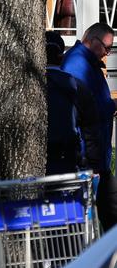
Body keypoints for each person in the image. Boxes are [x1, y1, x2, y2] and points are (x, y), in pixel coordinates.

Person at [61, 22, 117, 230]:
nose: (108, 53)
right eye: (107, 47)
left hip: (97, 158)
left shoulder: (89, 63)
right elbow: (85, 110)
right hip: (86, 160)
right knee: (83, 226)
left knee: (111, 215)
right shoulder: (77, 64)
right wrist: (111, 106)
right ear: (93, 41)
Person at [45, 31, 102, 175]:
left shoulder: (25, 87)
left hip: (34, 161)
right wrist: (94, 165)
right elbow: (91, 130)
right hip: (68, 161)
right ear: (61, 57)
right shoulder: (76, 86)